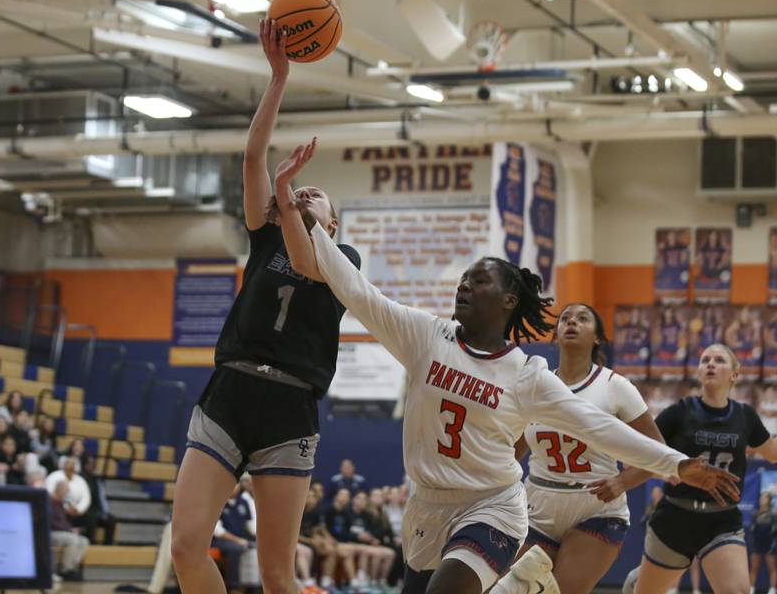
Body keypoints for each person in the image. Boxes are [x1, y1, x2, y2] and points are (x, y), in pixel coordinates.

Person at [272, 153, 741, 594]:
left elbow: (598, 426)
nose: (464, 285)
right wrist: (313, 227)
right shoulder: (425, 336)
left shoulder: (527, 375)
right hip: (426, 503)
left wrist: (676, 464)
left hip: (492, 507)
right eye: (463, 279)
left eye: (479, 280)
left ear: (508, 300)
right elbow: (358, 290)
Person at [169, 17, 360, 594]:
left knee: (278, 575)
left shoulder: (342, 258)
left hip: (288, 407)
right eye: (301, 190)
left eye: (317, 194)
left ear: (333, 221)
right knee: (184, 548)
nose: (307, 191)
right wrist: (278, 78)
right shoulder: (267, 236)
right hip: (230, 391)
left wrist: (286, 194)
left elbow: (307, 263)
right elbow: (253, 158)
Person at [501, 303, 666, 594]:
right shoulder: (535, 386)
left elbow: (658, 451)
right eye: (565, 318)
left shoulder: (615, 386)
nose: (572, 322)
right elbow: (512, 452)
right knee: (508, 589)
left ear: (598, 338)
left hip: (596, 508)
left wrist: (623, 480)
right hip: (537, 505)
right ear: (555, 336)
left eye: (582, 318)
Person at [621, 344, 777, 594]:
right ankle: (640, 582)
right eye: (705, 360)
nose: (711, 364)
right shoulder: (679, 412)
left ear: (735, 374)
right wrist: (665, 471)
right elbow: (638, 455)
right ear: (699, 371)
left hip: (722, 519)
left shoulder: (745, 416)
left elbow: (772, 453)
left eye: (719, 360)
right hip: (676, 516)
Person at [297, 488, 339, 591]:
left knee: (331, 550)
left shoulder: (317, 512)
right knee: (313, 549)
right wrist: (311, 541)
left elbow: (320, 528)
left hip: (312, 541)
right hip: (300, 541)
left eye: (313, 497)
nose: (311, 499)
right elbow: (294, 536)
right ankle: (308, 581)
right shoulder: (297, 511)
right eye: (308, 496)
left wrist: (327, 539)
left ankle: (326, 582)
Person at [50, 479, 89, 581]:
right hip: (51, 532)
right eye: (66, 490)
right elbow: (53, 523)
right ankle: (65, 569)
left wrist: (71, 529)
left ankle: (72, 567)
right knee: (73, 539)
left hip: (62, 532)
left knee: (84, 541)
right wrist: (69, 530)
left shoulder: (61, 503)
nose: (67, 493)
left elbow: (63, 521)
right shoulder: (50, 502)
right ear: (59, 489)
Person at [46, 456, 92, 522]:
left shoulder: (81, 480)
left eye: (73, 465)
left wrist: (78, 509)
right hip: (58, 508)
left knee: (91, 517)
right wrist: (64, 508)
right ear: (64, 465)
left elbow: (86, 498)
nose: (71, 467)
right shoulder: (54, 476)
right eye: (69, 464)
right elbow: (49, 493)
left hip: (76, 510)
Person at [749, 492, 777, 594]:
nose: (761, 500)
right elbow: (753, 529)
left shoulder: (774, 514)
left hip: (769, 544)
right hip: (757, 544)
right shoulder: (755, 514)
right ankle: (751, 589)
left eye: (764, 498)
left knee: (772, 568)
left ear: (769, 500)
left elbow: (775, 530)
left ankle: (773, 590)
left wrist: (772, 542)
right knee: (754, 567)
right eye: (761, 498)